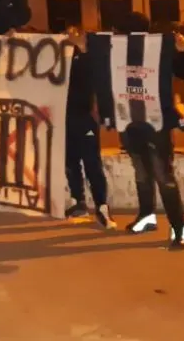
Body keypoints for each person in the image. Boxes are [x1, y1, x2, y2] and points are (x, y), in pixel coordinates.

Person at [93, 12, 184, 249]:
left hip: (155, 124)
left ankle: (180, 228)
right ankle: (146, 216)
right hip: (130, 122)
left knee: (163, 177)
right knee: (141, 173)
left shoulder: (160, 50)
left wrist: (183, 51)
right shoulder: (112, 51)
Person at [63, 26, 116, 229]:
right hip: (64, 117)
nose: (71, 36)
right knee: (70, 162)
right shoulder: (60, 55)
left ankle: (102, 206)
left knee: (92, 162)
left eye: (76, 33)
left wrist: (83, 49)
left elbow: (96, 78)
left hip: (85, 117)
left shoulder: (91, 55)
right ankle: (78, 201)